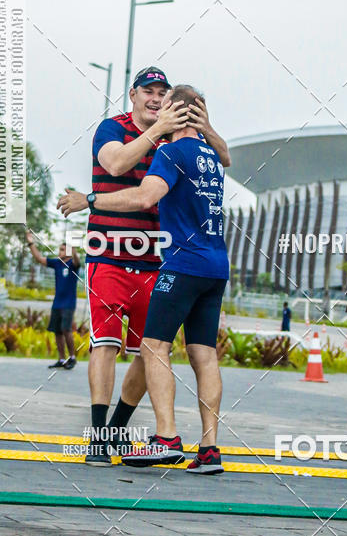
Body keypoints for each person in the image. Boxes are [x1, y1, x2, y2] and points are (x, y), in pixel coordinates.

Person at [57, 67, 230, 466]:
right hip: (112, 252)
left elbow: (148, 195)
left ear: (172, 104)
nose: (155, 98)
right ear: (132, 95)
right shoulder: (117, 128)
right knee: (109, 342)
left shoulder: (174, 144)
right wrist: (162, 131)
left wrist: (89, 199)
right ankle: (105, 439)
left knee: (149, 348)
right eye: (148, 91)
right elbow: (115, 165)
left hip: (162, 259)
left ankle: (146, 434)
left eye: (162, 93)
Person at [26, 231, 80, 370]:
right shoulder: (56, 263)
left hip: (68, 304)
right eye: (60, 249)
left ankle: (72, 357)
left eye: (62, 249)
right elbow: (39, 258)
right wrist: (30, 242)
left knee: (66, 329)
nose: (59, 251)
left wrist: (74, 250)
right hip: (57, 303)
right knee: (57, 331)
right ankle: (61, 359)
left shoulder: (73, 265)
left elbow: (77, 260)